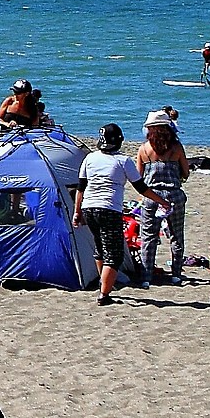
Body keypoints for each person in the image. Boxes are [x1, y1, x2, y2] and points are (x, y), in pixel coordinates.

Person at [75, 123, 140, 305]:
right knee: (114, 254)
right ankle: (104, 295)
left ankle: (104, 285)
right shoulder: (123, 161)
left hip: (89, 207)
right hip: (109, 208)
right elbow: (140, 187)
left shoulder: (90, 158)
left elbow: (81, 187)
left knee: (100, 248)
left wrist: (76, 212)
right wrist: (162, 201)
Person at [136, 110, 191, 282]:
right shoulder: (176, 148)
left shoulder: (144, 150)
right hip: (174, 195)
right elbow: (186, 172)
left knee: (148, 237)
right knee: (176, 235)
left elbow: (139, 178)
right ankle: (176, 274)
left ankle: (146, 276)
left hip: (152, 196)